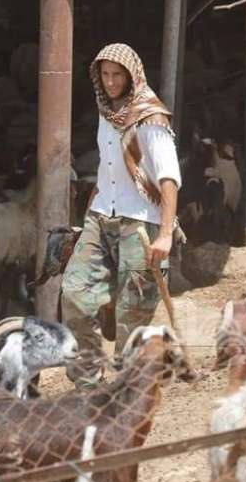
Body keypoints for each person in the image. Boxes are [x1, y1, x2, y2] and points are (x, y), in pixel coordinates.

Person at [60, 43, 181, 389]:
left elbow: (169, 177)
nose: (111, 82)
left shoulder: (150, 117)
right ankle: (88, 383)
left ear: (132, 76)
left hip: (141, 222)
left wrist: (166, 234)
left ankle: (130, 390)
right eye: (105, 74)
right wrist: (86, 219)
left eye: (117, 75)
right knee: (74, 293)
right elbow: (107, 168)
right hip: (101, 215)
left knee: (132, 312)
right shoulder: (106, 112)